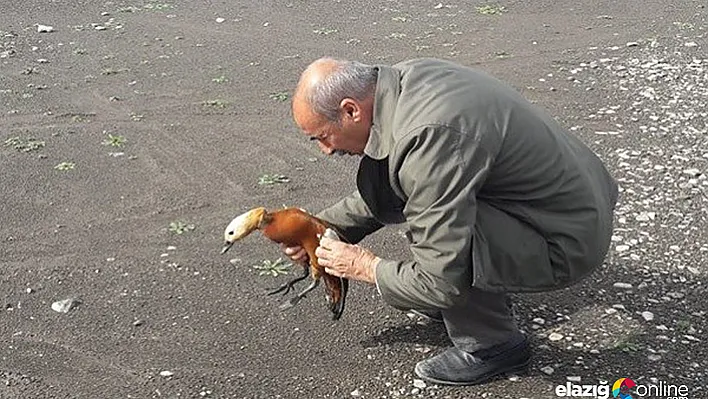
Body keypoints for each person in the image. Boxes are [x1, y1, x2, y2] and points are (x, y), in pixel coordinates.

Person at [283, 56, 619, 386]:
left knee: (438, 237)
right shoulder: (404, 82)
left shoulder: (426, 134)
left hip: (567, 238)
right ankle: (476, 306)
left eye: (322, 136)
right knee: (432, 207)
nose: (325, 150)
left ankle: (493, 346)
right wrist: (325, 226)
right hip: (577, 201)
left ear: (351, 110)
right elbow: (395, 177)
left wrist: (366, 267)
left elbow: (441, 278)